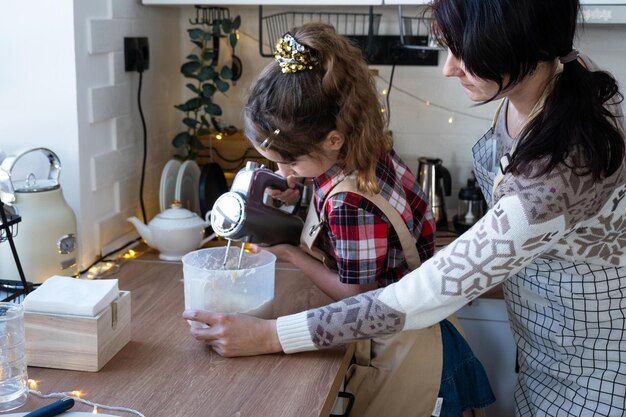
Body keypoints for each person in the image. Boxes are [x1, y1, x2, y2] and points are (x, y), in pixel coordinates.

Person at [184, 0, 626, 415]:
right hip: (543, 347)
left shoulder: (563, 168)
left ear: (520, 44)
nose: (449, 68)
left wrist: (269, 335)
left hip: (597, 373)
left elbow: (416, 296)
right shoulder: (556, 79)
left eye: (465, 52)